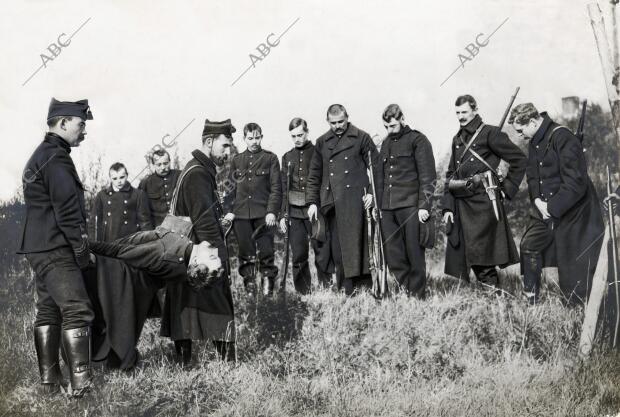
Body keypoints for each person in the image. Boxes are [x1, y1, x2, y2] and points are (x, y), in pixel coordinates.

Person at [16, 98, 94, 396]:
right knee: (77, 310)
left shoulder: (42, 154)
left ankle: (50, 384)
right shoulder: (57, 157)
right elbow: (67, 211)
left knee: (48, 310)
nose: (84, 131)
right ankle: (82, 387)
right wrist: (81, 251)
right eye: (81, 124)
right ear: (63, 123)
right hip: (55, 246)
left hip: (38, 246)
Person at [509, 102, 604, 304]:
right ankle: (532, 302)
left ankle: (578, 310)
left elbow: (576, 182)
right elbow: (532, 175)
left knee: (573, 269)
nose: (520, 135)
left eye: (520, 130)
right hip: (544, 209)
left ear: (533, 122)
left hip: (574, 211)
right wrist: (537, 201)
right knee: (528, 245)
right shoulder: (534, 139)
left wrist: (551, 208)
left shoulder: (563, 137)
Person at [161, 118, 236, 366]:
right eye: (225, 146)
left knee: (185, 306)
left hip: (186, 252)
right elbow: (204, 224)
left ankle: (185, 364)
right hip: (199, 253)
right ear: (208, 142)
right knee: (218, 302)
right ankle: (228, 365)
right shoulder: (199, 174)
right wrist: (220, 259)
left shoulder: (197, 169)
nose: (229, 152)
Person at [440, 94, 526, 288]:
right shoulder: (458, 138)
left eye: (464, 112)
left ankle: (494, 297)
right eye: (458, 113)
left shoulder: (490, 134)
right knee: (472, 254)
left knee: (482, 255)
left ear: (475, 110)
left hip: (485, 203)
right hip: (463, 204)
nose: (461, 116)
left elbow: (520, 160)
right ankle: (491, 295)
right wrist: (447, 208)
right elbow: (451, 175)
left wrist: (506, 189)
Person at [306, 104, 378, 295]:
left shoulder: (362, 137)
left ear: (348, 118)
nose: (338, 126)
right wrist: (312, 202)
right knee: (339, 249)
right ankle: (347, 289)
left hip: (358, 200)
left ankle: (365, 288)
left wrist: (371, 193)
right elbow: (314, 174)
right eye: (333, 123)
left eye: (341, 122)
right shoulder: (322, 142)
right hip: (333, 203)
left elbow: (377, 168)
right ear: (328, 121)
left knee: (360, 245)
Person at [90, 162, 155, 369]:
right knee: (108, 305)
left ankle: (127, 354)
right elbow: (94, 225)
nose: (119, 181)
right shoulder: (101, 196)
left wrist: (147, 251)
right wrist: (93, 250)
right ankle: (109, 356)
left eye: (122, 177)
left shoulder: (138, 195)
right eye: (115, 178)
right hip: (108, 258)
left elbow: (146, 225)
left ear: (127, 175)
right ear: (110, 178)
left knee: (129, 304)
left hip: (131, 255)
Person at [375, 104, 436, 298]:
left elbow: (428, 176)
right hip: (387, 207)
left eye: (392, 125)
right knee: (393, 254)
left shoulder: (418, 140)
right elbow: (380, 178)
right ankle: (407, 288)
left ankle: (417, 295)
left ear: (402, 118)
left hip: (411, 206)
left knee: (414, 254)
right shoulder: (385, 144)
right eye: (386, 127)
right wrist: (378, 205)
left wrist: (424, 205)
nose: (389, 130)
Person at [224, 123, 282, 296]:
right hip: (241, 215)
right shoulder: (237, 160)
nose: (254, 141)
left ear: (262, 137)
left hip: (263, 215)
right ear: (244, 139)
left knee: (266, 251)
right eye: (250, 138)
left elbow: (276, 188)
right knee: (246, 253)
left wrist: (272, 211)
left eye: (257, 137)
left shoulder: (270, 159)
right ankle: (250, 289)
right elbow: (229, 189)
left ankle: (267, 291)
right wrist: (229, 209)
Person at [279, 118, 331, 294]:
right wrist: (282, 215)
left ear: (307, 132)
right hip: (294, 213)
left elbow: (318, 181)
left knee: (322, 252)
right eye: (293, 136)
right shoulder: (287, 157)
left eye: (300, 135)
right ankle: (304, 292)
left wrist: (314, 203)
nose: (297, 139)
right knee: (299, 254)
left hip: (315, 210)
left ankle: (326, 288)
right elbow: (284, 190)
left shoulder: (317, 153)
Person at [89, 226, 224, 289]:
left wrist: (85, 245)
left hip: (104, 262)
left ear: (195, 262)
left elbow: (120, 251)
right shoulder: (188, 249)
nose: (215, 252)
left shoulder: (166, 255)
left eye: (212, 257)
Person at [139, 149, 181, 227]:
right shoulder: (146, 183)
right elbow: (143, 213)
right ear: (153, 165)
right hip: (158, 229)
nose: (163, 167)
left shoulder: (180, 176)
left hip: (181, 225)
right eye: (159, 165)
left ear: (170, 161)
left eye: (166, 163)